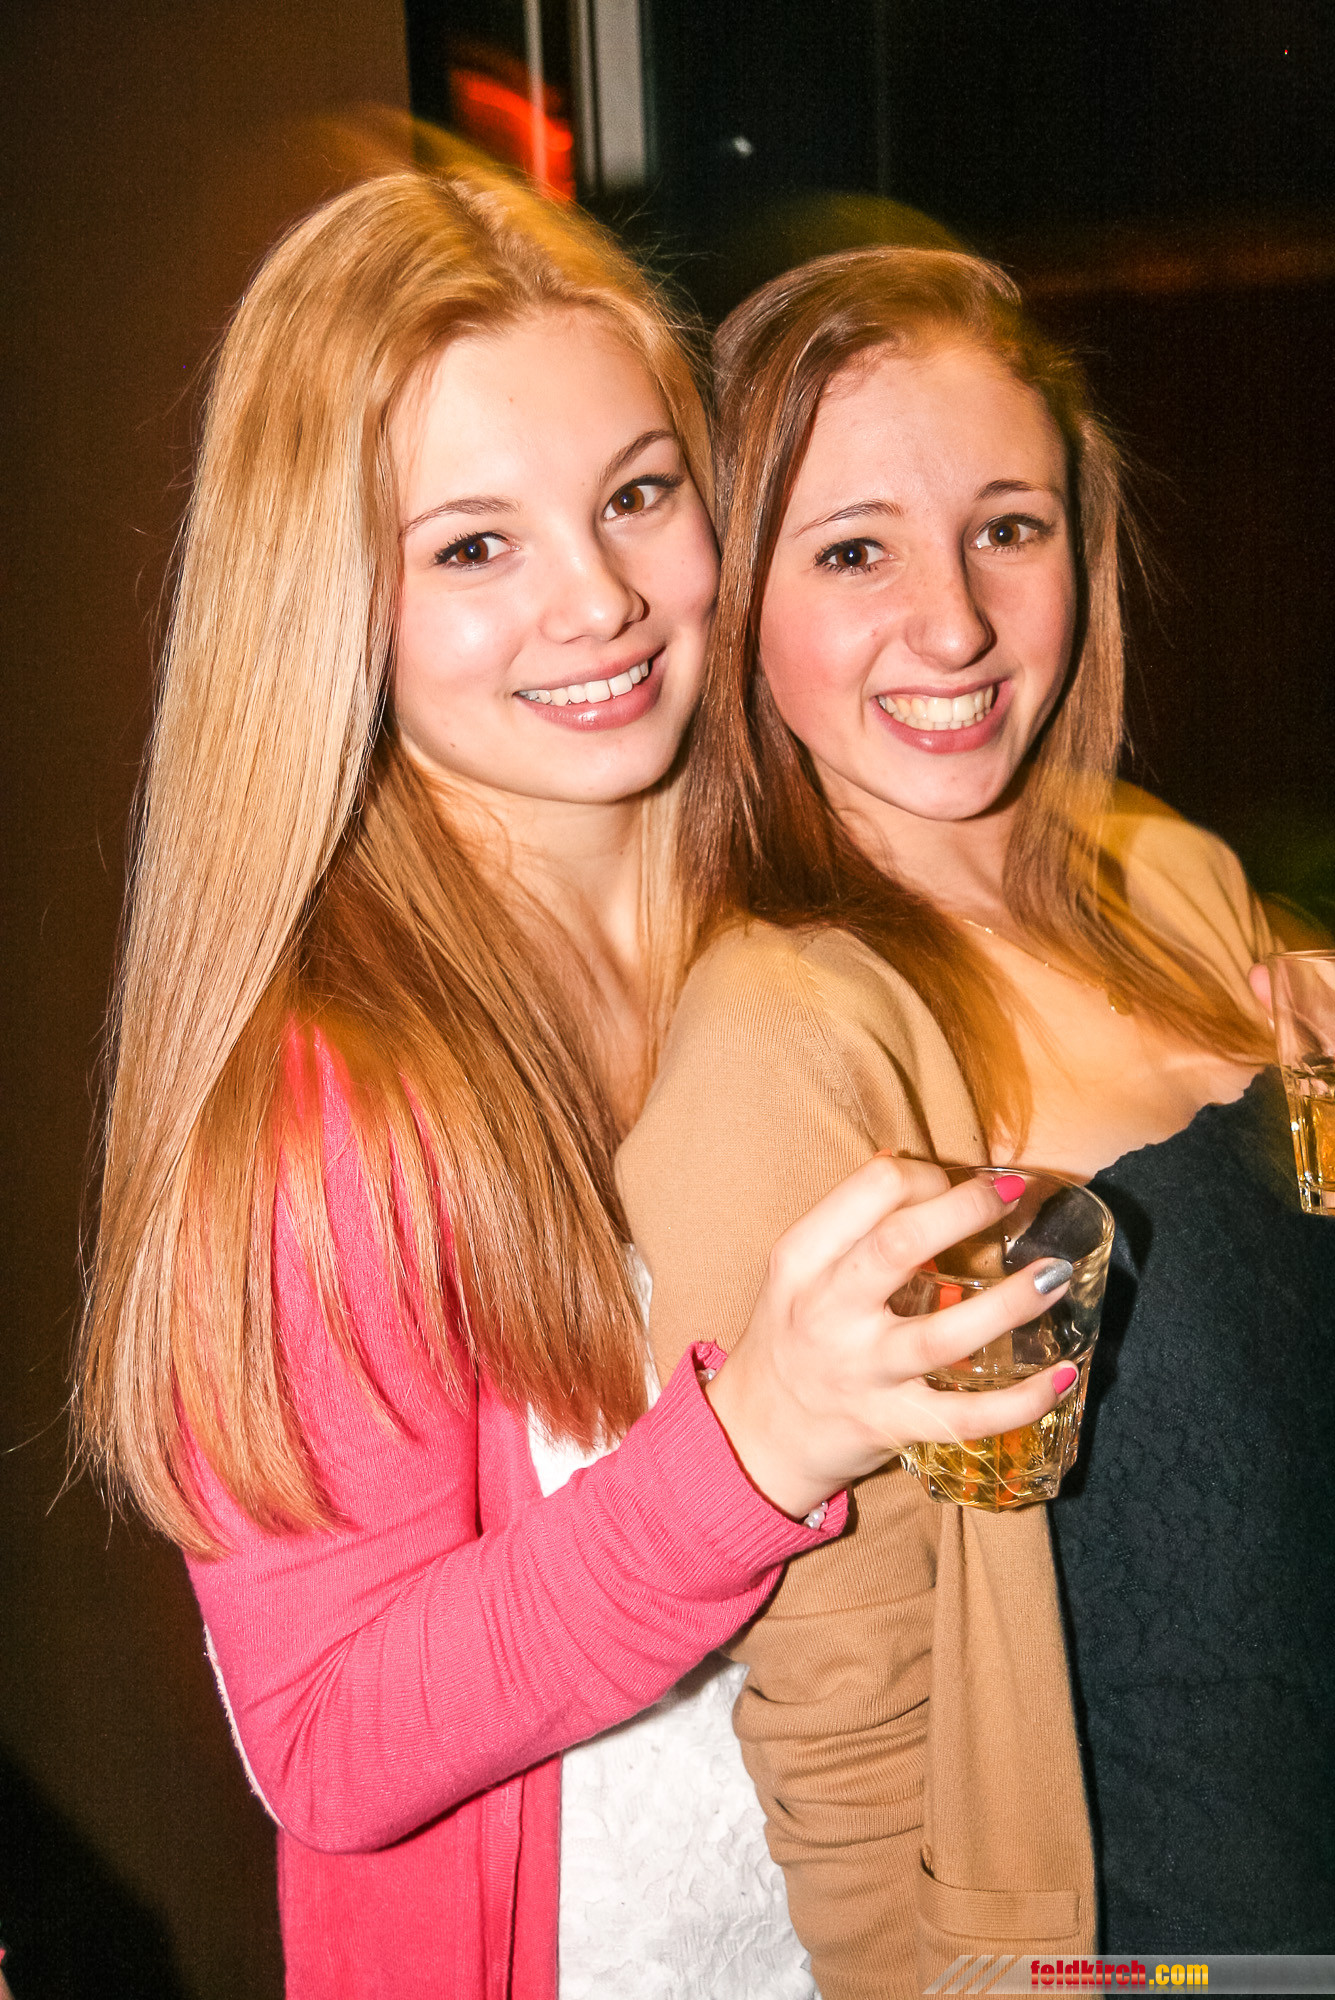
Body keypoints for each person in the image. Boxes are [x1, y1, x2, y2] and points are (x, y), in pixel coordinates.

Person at [74, 181, 1079, 1999]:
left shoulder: (802, 925)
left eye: (636, 495)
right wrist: (752, 1447)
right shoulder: (325, 1100)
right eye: (475, 547)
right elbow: (326, 1740)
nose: (601, 599)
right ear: (329, 601)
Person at [618, 246, 1335, 1996]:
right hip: (1175, 1947)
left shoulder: (1171, 880)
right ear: (738, 597)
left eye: (1008, 528)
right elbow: (847, 1726)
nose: (952, 626)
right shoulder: (787, 1041)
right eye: (853, 551)